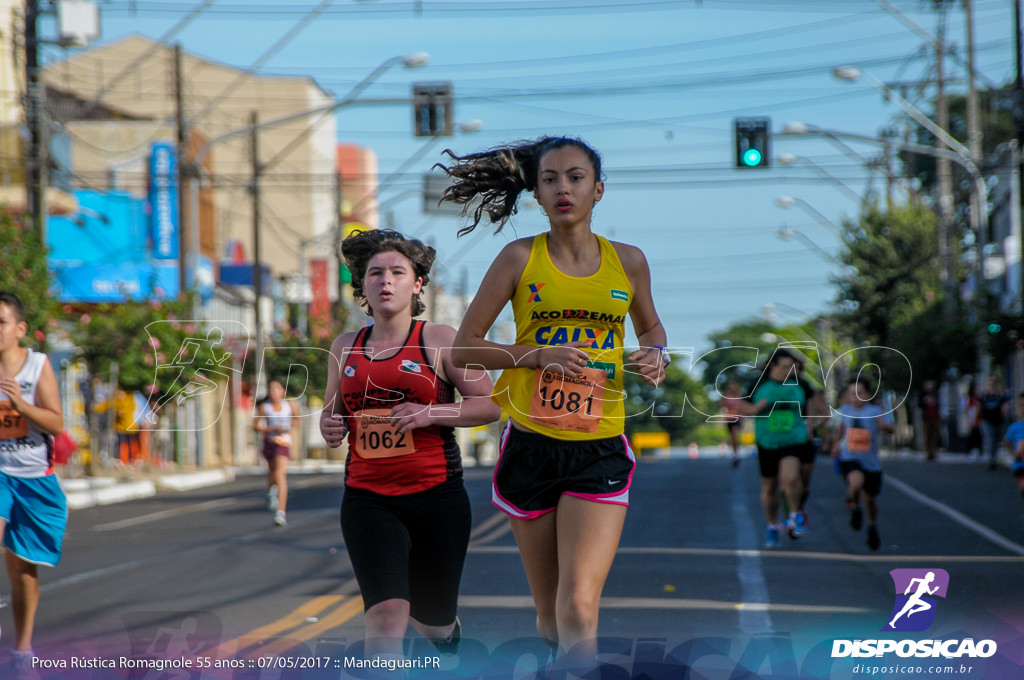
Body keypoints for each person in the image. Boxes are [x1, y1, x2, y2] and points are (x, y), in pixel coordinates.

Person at [439, 136, 668, 670]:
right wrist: (536, 354)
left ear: (599, 190)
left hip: (600, 444)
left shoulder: (628, 262)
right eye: (549, 180)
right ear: (536, 195)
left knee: (580, 608)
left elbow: (651, 327)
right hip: (532, 444)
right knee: (550, 616)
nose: (563, 188)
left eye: (575, 177)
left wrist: (655, 354)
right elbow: (465, 347)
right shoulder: (520, 258)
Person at [319, 229, 499, 665]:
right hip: (367, 498)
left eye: (397, 272)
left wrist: (430, 413)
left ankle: (447, 634)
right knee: (386, 614)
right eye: (374, 273)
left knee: (433, 622)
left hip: (436, 496)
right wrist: (331, 426)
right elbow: (332, 413)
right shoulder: (345, 347)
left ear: (417, 283)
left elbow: (488, 405)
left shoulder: (438, 339)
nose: (385, 281)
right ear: (361, 284)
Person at [0, 291, 67, 679]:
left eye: (1, 322)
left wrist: (21, 405)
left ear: (19, 329)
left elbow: (56, 423)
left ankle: (22, 651)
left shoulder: (37, 365)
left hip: (32, 477)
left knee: (23, 570)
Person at [728, 349, 818, 548]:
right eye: (785, 367)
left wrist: (810, 427)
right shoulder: (758, 383)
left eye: (792, 366)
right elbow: (741, 405)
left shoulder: (800, 383)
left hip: (793, 439)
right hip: (766, 441)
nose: (789, 370)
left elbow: (810, 407)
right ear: (773, 366)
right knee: (769, 487)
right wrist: (754, 408)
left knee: (791, 478)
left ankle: (795, 515)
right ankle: (772, 526)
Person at [832, 377, 895, 552]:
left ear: (868, 394)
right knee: (855, 483)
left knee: (870, 498)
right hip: (850, 458)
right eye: (852, 393)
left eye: (859, 393)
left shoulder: (875, 411)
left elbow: (891, 428)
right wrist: (835, 444)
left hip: (871, 462)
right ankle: (854, 507)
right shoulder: (843, 411)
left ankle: (872, 525)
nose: (855, 397)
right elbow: (839, 432)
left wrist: (885, 425)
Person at [253, 378, 298, 527]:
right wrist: (272, 430)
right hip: (270, 443)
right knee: (273, 474)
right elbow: (256, 426)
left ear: (283, 391)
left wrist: (288, 427)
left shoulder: (289, 405)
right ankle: (271, 491)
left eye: (277, 389)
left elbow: (297, 421)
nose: (274, 393)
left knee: (280, 474)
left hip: (283, 443)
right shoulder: (265, 407)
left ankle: (280, 513)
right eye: (271, 390)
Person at [1001, 392, 1024, 517]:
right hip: (1020, 464)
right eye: (1021, 405)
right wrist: (1013, 454)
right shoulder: (1015, 427)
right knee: (1023, 488)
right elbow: (1007, 443)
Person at [979, 375, 1009, 470]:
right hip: (987, 421)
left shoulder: (1000, 396)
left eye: (993, 382)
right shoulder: (984, 395)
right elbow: (978, 407)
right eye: (990, 382)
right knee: (990, 439)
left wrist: (1005, 411)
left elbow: (1005, 406)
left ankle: (994, 456)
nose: (992, 384)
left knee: (996, 440)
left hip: (998, 421)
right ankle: (991, 460)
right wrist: (975, 419)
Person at [720, 380, 744, 468]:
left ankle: (737, 453)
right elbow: (720, 405)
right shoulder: (726, 396)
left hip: (737, 418)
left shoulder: (740, 396)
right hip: (729, 419)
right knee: (732, 438)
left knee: (735, 435)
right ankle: (735, 454)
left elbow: (743, 406)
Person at [918, 380, 943, 461]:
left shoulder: (935, 394)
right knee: (927, 435)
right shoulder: (923, 395)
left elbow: (940, 404)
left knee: (935, 435)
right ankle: (929, 452)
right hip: (926, 417)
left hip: (935, 417)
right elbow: (920, 404)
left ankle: (934, 452)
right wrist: (925, 401)